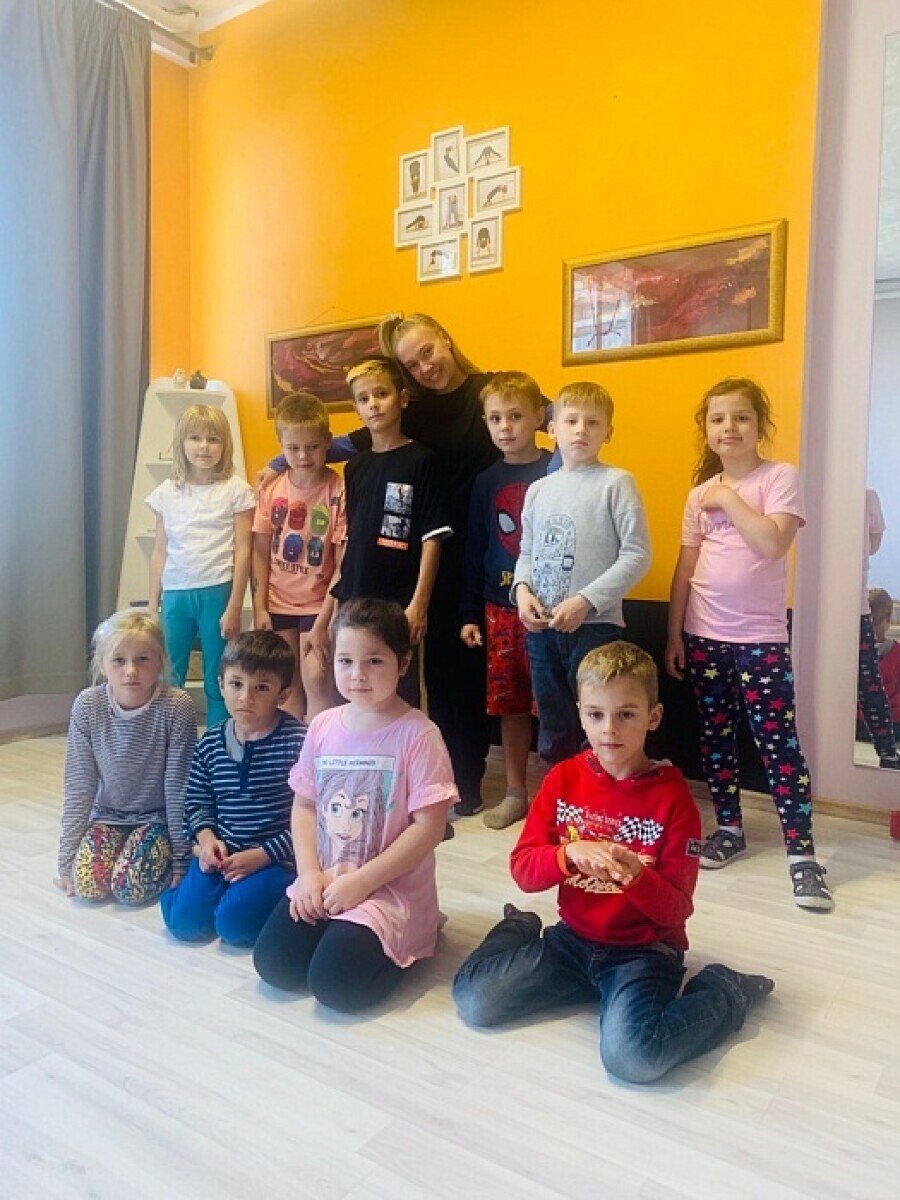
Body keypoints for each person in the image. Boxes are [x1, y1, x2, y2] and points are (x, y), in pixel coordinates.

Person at [452, 642, 774, 1084]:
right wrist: (568, 854)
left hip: (643, 953)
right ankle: (518, 928)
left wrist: (637, 876)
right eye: (596, 714)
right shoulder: (562, 780)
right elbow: (523, 870)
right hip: (571, 941)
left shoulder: (675, 802)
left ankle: (724, 990)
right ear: (581, 715)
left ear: (653, 717)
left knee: (634, 1060)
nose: (609, 729)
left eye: (626, 714)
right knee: (473, 1000)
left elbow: (677, 910)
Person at [664, 377, 834, 911]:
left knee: (778, 745)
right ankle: (730, 829)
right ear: (707, 430)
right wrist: (673, 633)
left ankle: (802, 857)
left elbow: (772, 542)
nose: (729, 427)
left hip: (760, 639)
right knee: (716, 739)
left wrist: (725, 497)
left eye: (741, 417)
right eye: (718, 419)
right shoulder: (698, 495)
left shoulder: (779, 477)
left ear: (760, 425)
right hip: (704, 635)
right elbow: (685, 568)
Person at [252, 598, 457, 1012]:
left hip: (387, 890)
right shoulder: (323, 725)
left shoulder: (419, 734)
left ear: (403, 663)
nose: (357, 674)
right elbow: (305, 806)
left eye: (374, 661)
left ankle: (420, 930)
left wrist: (362, 884)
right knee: (274, 965)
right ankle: (342, 929)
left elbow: (429, 827)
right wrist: (309, 874)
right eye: (345, 661)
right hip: (328, 882)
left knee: (335, 986)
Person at [513, 381, 651, 767]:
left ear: (609, 432)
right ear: (552, 428)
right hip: (542, 629)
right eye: (571, 421)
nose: (581, 430)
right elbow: (527, 552)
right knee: (554, 722)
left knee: (599, 724)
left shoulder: (616, 483)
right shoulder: (538, 490)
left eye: (592, 423)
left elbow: (637, 555)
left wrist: (585, 601)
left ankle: (598, 797)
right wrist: (522, 591)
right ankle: (560, 796)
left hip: (594, 627)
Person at [160, 631, 305, 946]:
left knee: (232, 926)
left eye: (261, 687)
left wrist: (263, 856)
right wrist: (207, 841)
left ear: (283, 695)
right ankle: (205, 892)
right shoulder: (210, 743)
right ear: (221, 685)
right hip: (223, 855)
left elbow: (311, 819)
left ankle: (279, 901)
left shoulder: (299, 743)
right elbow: (197, 803)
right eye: (236, 684)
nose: (245, 697)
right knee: (183, 924)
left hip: (276, 860)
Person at [329, 356, 452, 708]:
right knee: (353, 687)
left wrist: (419, 604)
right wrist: (337, 602)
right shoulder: (355, 467)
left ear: (402, 398)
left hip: (398, 601)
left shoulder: (421, 460)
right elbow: (353, 538)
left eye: (381, 394)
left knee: (399, 689)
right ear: (356, 409)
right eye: (364, 398)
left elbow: (432, 537)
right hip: (354, 596)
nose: (373, 404)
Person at [55, 610, 196, 904]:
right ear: (102, 664)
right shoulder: (88, 705)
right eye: (119, 660)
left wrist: (181, 861)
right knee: (88, 886)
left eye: (143, 659)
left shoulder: (176, 706)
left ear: (160, 661)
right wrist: (66, 860)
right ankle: (119, 851)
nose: (131, 670)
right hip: (107, 815)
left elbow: (178, 787)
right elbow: (79, 785)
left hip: (155, 818)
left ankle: (145, 854)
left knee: (130, 888)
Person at [460, 372, 550, 828]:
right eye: (495, 418)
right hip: (499, 609)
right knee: (511, 706)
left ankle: (559, 795)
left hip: (552, 609)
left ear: (539, 416)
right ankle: (516, 791)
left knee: (554, 704)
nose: (506, 427)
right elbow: (476, 548)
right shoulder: (486, 481)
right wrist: (469, 613)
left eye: (515, 416)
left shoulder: (557, 469)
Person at [148, 404, 255, 727]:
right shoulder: (167, 493)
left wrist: (234, 605)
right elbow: (159, 552)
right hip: (176, 595)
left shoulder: (235, 490)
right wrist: (152, 606)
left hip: (217, 591)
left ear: (225, 445)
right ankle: (168, 738)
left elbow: (244, 551)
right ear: (181, 442)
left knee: (218, 673)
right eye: (195, 438)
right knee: (169, 672)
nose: (204, 447)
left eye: (213, 439)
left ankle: (218, 739)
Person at [252, 391, 346, 721]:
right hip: (277, 604)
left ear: (328, 442)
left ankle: (319, 746)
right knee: (285, 682)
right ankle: (292, 750)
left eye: (313, 447)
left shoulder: (339, 489)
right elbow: (260, 552)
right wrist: (260, 607)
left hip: (318, 605)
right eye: (293, 448)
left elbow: (342, 564)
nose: (304, 456)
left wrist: (325, 620)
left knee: (317, 677)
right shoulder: (271, 488)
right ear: (280, 446)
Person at [855, 491, 899, 768]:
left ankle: (886, 751)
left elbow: (872, 547)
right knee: (870, 684)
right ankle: (887, 751)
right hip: (852, 601)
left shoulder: (867, 496)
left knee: (868, 683)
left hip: (847, 602)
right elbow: (872, 546)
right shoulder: (868, 497)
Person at [869, 587, 900, 743]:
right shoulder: (897, 652)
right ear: (888, 619)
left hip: (859, 723)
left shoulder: (853, 652)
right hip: (893, 724)